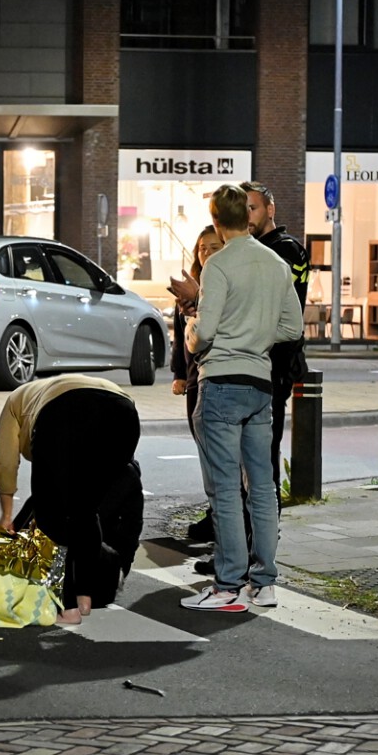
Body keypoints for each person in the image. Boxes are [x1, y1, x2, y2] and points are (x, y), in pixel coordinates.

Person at [178, 183, 303, 613]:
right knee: (263, 488)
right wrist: (258, 334)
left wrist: (193, 332)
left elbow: (205, 333)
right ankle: (265, 582)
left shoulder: (218, 264)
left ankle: (228, 583)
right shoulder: (273, 263)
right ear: (246, 216)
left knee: (227, 490)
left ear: (216, 219)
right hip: (261, 385)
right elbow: (293, 328)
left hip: (222, 382)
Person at [0, 374, 143, 625]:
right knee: (85, 511)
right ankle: (84, 597)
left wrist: (6, 516)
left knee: (50, 517)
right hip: (124, 412)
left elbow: (6, 463)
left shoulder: (14, 403)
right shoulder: (49, 388)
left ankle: (67, 607)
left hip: (64, 411)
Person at [242, 181, 310, 482]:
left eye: (252, 208)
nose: (246, 215)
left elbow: (266, 301)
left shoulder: (287, 249)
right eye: (241, 209)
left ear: (270, 209)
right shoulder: (250, 248)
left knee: (264, 449)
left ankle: (265, 522)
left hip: (274, 363)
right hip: (253, 360)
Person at [171, 225, 222, 544]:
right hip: (194, 380)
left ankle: (221, 518)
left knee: (220, 455)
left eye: (215, 247)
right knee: (205, 451)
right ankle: (214, 511)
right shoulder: (192, 288)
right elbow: (180, 338)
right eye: (203, 248)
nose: (207, 253)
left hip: (217, 377)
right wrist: (178, 373)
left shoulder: (222, 286)